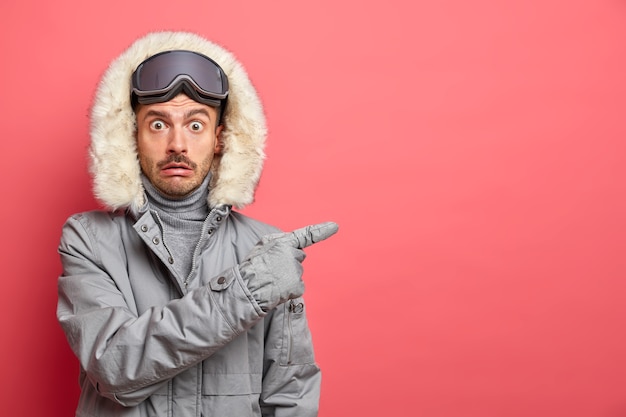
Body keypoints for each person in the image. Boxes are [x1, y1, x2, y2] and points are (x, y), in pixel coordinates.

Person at [56, 31, 338, 417]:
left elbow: (291, 392)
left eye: (195, 125)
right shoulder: (87, 239)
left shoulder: (266, 248)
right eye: (158, 125)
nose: (177, 144)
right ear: (132, 136)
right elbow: (114, 368)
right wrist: (248, 290)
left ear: (220, 138)